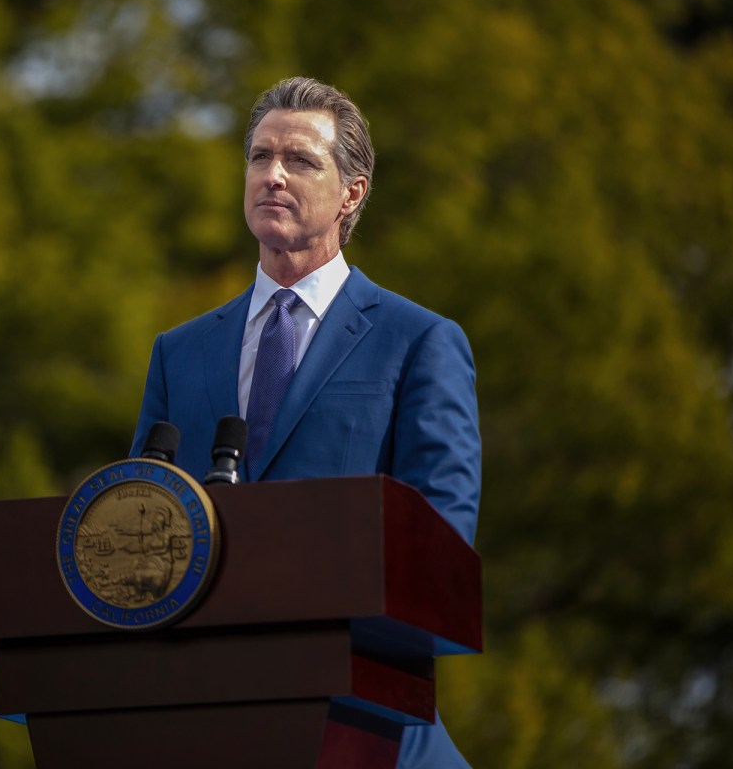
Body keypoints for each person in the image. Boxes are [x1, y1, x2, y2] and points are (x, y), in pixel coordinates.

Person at [130, 76, 480, 768]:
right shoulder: (181, 353)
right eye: (259, 158)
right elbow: (140, 525)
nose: (273, 176)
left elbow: (441, 541)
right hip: (207, 719)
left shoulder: (419, 342)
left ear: (352, 193)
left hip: (362, 724)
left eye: (300, 161)